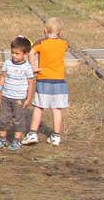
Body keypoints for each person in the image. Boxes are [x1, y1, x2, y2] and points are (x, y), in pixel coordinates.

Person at [23, 17, 69, 146]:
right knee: (57, 108)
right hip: (59, 80)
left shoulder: (41, 43)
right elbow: (65, 47)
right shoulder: (63, 43)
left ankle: (32, 133)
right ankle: (56, 136)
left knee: (39, 107)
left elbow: (31, 52)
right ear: (61, 32)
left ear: (45, 30)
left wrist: (33, 67)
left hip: (44, 79)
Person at [0, 36, 35, 151]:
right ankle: (2, 139)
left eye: (17, 53)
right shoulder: (7, 63)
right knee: (4, 118)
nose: (14, 56)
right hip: (6, 96)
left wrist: (29, 98)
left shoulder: (27, 68)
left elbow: (31, 84)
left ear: (25, 54)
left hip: (19, 98)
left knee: (18, 119)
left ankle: (17, 140)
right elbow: (3, 76)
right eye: (12, 53)